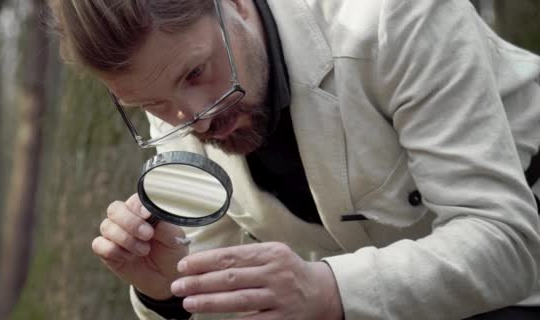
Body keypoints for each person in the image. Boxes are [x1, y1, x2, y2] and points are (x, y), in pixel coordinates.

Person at [49, 0, 540, 319]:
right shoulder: (176, 106)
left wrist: (326, 289)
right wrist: (169, 291)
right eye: (151, 106)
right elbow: (222, 283)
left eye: (198, 71)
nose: (195, 121)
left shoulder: (397, 18)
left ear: (236, 6)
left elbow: (507, 242)